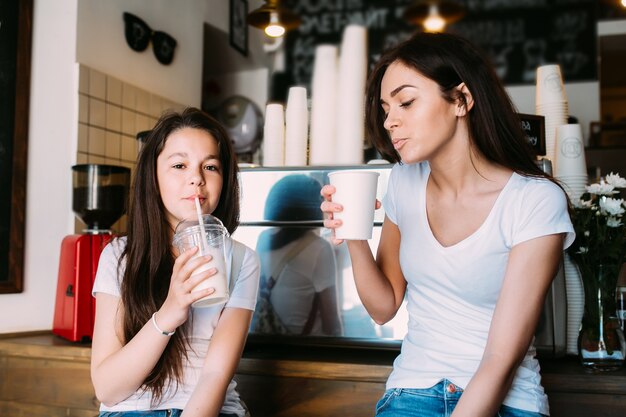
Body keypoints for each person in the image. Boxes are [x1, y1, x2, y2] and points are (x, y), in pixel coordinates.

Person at [320, 32, 574, 417]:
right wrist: (354, 234)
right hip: (413, 390)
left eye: (406, 102)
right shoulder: (404, 182)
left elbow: (501, 357)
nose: (390, 120)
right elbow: (383, 307)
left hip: (508, 397)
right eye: (386, 108)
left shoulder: (533, 200)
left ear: (461, 100)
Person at [90, 107, 260, 417]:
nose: (196, 179)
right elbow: (107, 389)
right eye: (179, 165)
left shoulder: (242, 259)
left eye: (210, 167)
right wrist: (170, 311)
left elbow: (214, 377)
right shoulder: (118, 256)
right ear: (152, 176)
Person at [251, 174, 342, 336]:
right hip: (303, 352)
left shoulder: (263, 239)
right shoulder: (320, 248)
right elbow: (332, 323)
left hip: (263, 346)